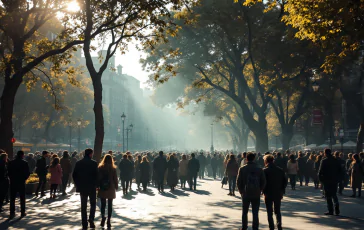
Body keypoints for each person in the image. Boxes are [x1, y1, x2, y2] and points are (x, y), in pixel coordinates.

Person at [237, 152, 266, 230]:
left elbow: (238, 181)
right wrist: (260, 189)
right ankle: (255, 227)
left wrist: (241, 191)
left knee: (245, 212)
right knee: (255, 212)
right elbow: (263, 181)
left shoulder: (242, 169)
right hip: (256, 192)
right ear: (254, 158)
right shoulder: (259, 169)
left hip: (246, 192)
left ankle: (244, 227)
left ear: (246, 159)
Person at [72, 148, 98, 229]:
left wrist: (77, 185)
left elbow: (74, 175)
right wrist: (96, 185)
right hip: (92, 187)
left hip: (82, 187)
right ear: (90, 154)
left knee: (83, 206)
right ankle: (91, 218)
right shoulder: (94, 163)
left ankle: (84, 223)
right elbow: (97, 175)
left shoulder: (79, 163)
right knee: (93, 204)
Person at [263, 154, 287, 230]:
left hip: (268, 193)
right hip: (278, 192)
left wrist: (263, 190)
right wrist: (282, 190)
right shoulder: (280, 170)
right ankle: (279, 225)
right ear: (273, 160)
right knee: (278, 210)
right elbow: (285, 181)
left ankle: (271, 227)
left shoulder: (265, 171)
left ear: (266, 161)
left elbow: (263, 182)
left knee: (269, 211)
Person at [7, 151, 30, 219]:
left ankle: (12, 213)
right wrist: (24, 179)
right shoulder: (24, 163)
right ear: (22, 155)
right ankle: (22, 212)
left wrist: (11, 178)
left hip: (13, 182)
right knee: (22, 198)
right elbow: (27, 173)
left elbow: (8, 172)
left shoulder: (11, 162)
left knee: (12, 198)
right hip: (21, 182)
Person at [318, 148, 341, 215]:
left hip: (327, 180)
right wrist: (338, 179)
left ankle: (330, 210)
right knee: (334, 194)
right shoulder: (336, 160)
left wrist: (321, 181)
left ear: (325, 153)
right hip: (334, 180)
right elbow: (340, 170)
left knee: (328, 196)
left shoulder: (324, 161)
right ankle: (337, 209)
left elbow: (320, 172)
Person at [97, 154, 118, 228]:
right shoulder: (113, 168)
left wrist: (97, 186)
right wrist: (116, 186)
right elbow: (115, 178)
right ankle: (109, 219)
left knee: (103, 204)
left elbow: (98, 178)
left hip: (102, 187)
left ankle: (103, 216)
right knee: (110, 204)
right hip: (111, 187)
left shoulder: (100, 167)